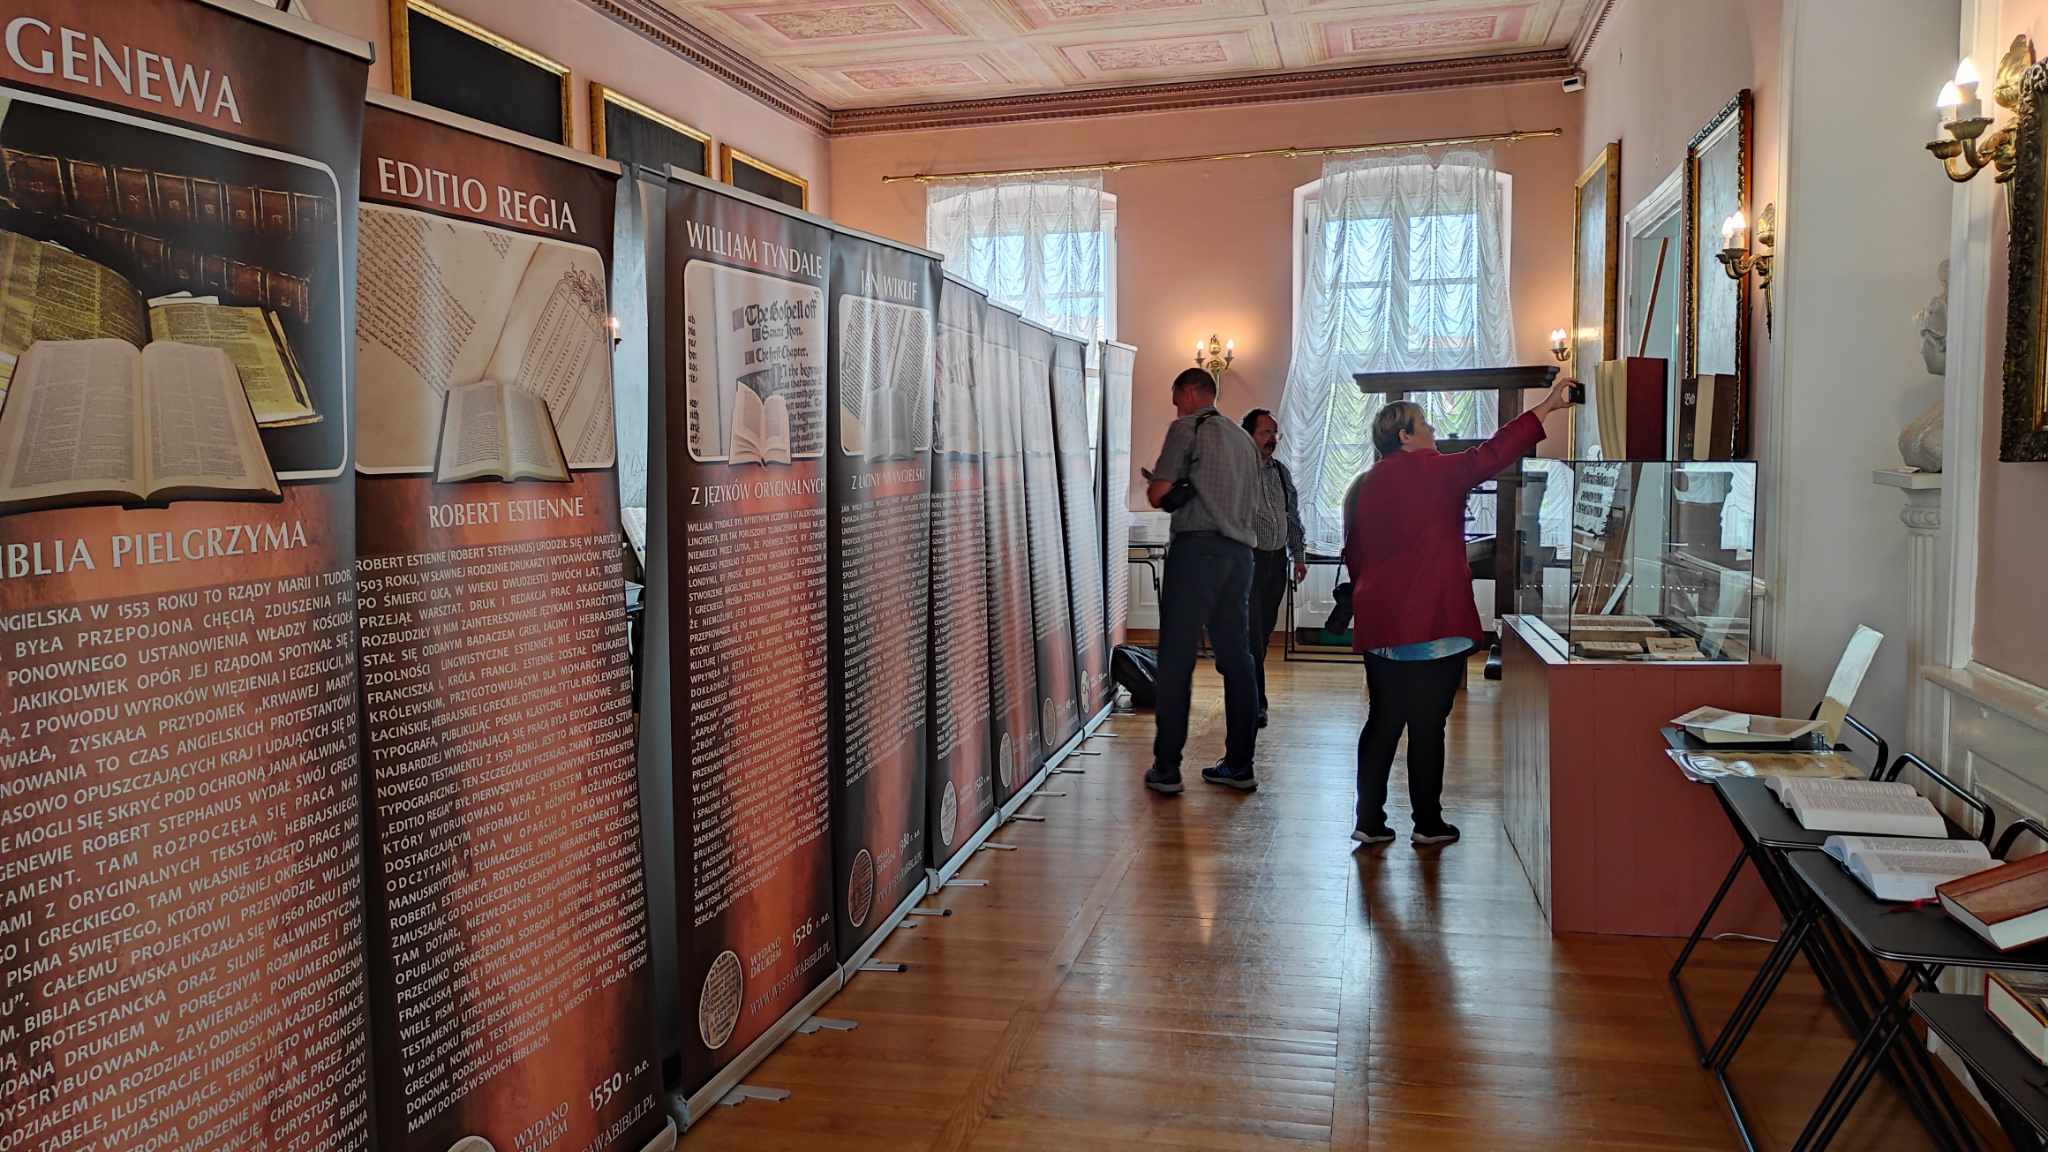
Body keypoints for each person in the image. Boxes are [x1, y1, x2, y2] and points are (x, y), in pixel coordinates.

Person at [1344, 377, 1575, 846]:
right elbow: (1494, 452)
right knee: (1428, 725)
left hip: (1383, 625)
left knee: (1383, 721)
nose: (1433, 430)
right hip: (1432, 624)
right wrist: (1549, 405)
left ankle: (1368, 820)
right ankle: (1427, 823)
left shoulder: (1363, 484)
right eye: (1424, 424)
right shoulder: (1436, 470)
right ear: (1404, 436)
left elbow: (1355, 555)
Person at [1141, 368, 1262, 794]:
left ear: (1192, 392)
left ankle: (1167, 768)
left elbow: (1158, 492)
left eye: (1177, 397)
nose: (1176, 406)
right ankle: (1240, 765)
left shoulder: (1187, 428)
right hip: (1240, 555)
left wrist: (1165, 490)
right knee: (1238, 659)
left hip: (1196, 551)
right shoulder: (1244, 439)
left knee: (1176, 659)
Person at [1240, 409, 1306, 728]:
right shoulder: (1238, 472)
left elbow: (1291, 515)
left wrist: (1299, 555)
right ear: (1248, 435)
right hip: (1248, 560)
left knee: (1264, 633)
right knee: (1252, 635)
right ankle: (1256, 704)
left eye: (1275, 433)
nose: (1272, 439)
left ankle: (1247, 690)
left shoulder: (1281, 472)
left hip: (1276, 561)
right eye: (1265, 432)